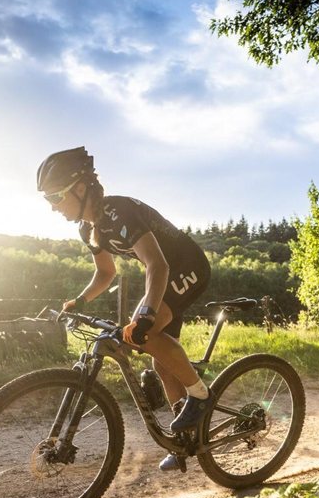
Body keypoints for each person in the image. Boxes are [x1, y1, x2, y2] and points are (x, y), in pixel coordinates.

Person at [36, 146, 212, 470]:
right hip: (163, 274)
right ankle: (185, 437)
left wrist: (145, 313)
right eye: (47, 200)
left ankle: (200, 396)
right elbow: (106, 273)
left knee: (140, 334)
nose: (53, 208)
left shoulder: (118, 213)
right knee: (161, 363)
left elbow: (156, 264)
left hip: (187, 266)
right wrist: (80, 300)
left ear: (79, 187)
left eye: (55, 198)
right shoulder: (88, 229)